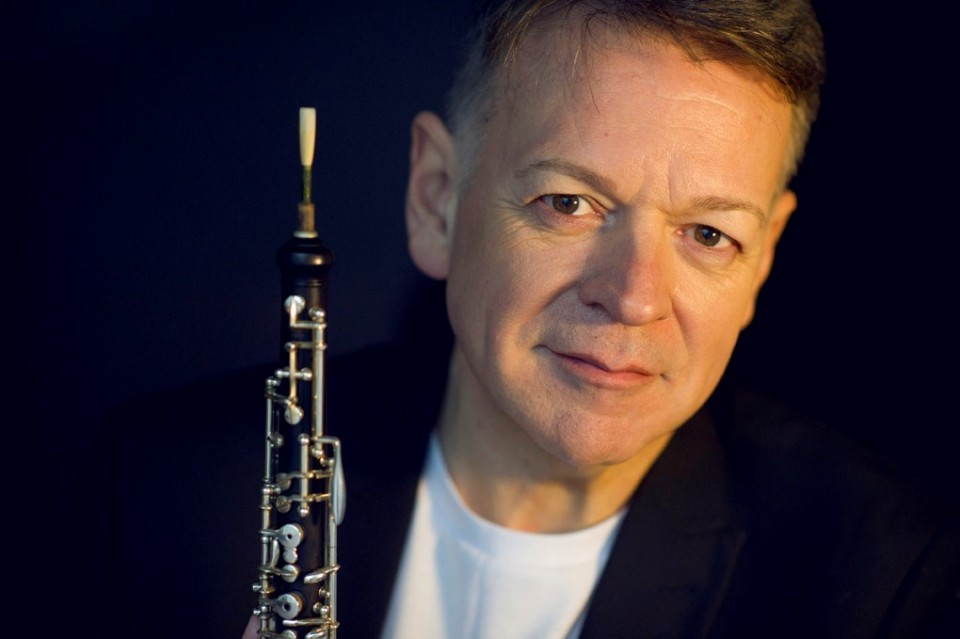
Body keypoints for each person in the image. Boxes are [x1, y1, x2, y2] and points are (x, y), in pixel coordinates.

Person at [220, 0, 960, 636]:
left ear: (762, 259)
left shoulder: (890, 585)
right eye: (569, 203)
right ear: (438, 198)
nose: (634, 297)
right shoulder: (172, 495)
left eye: (708, 234)